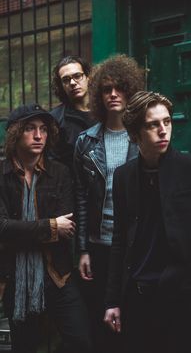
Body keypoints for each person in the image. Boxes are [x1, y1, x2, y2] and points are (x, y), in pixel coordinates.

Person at [104, 91, 191, 353]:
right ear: (135, 133)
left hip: (180, 295)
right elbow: (119, 239)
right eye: (153, 125)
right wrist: (112, 300)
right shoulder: (123, 176)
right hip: (137, 297)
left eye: (167, 121)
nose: (163, 130)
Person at [0, 103, 91, 353]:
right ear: (16, 134)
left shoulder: (60, 173)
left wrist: (20, 231)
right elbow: (2, 228)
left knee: (81, 341)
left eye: (43, 129)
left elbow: (68, 227)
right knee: (26, 346)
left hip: (57, 275)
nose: (38, 135)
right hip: (15, 278)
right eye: (30, 129)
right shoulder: (2, 175)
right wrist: (51, 226)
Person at [74, 54, 144, 353]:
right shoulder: (85, 142)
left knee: (133, 319)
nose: (113, 94)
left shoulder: (143, 138)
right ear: (98, 96)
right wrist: (83, 249)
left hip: (135, 245)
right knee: (100, 319)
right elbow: (80, 197)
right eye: (106, 89)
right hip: (99, 245)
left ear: (130, 90)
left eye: (119, 88)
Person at [51, 55, 95, 169]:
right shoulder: (55, 118)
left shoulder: (106, 110)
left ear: (88, 77)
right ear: (61, 85)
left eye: (77, 76)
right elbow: (54, 162)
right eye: (66, 80)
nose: (72, 82)